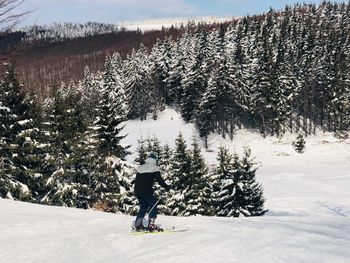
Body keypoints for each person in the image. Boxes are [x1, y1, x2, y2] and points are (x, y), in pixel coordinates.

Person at [134, 153, 170, 232]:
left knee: (144, 206)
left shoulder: (140, 167)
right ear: (155, 161)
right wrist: (167, 187)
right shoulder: (154, 168)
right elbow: (159, 180)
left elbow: (137, 180)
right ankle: (151, 225)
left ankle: (138, 224)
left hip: (137, 191)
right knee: (154, 204)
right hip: (146, 191)